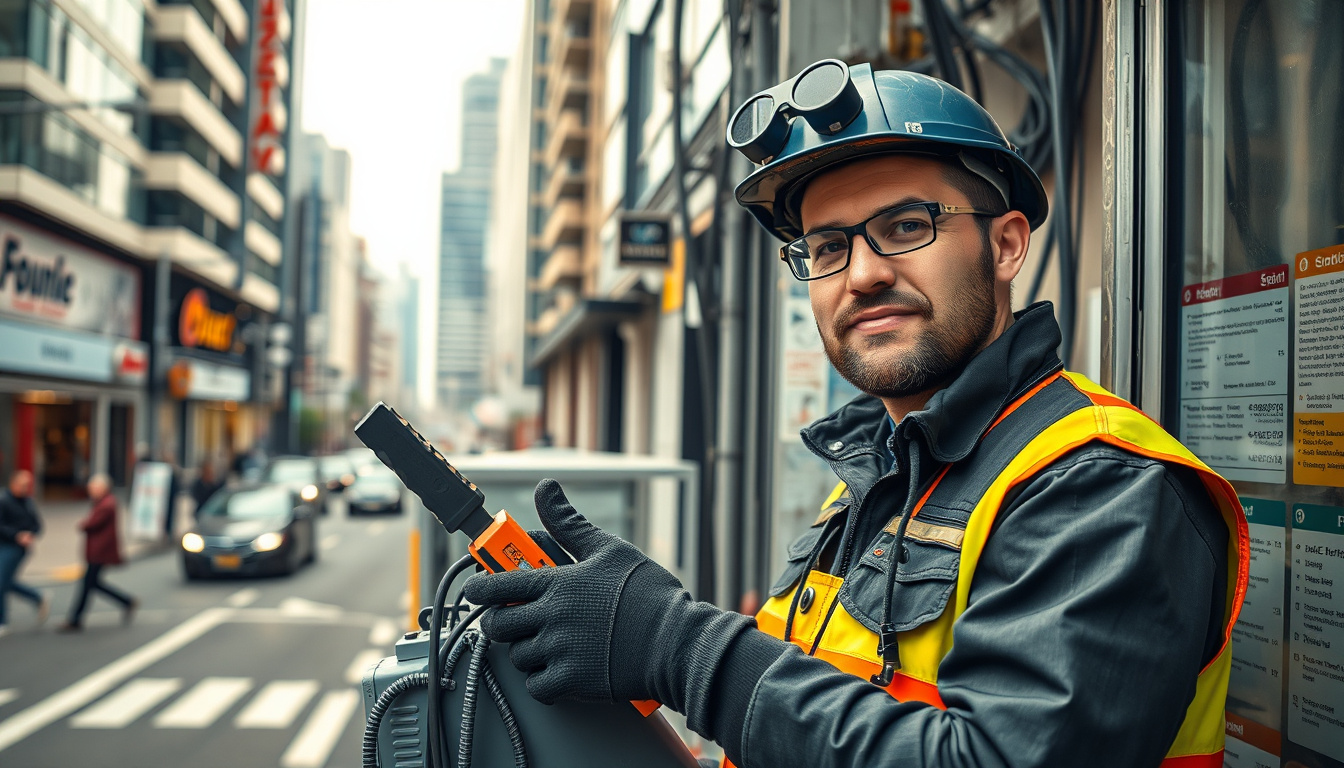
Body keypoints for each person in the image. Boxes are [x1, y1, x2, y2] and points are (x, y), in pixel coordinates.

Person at [464, 62, 1249, 768]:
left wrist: (678, 645)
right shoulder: (881, 479)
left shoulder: (1101, 486)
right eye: (828, 246)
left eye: (907, 227)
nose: (864, 274)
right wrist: (634, 634)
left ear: (1006, 245)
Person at [58, 474, 137, 632]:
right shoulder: (105, 502)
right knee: (92, 584)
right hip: (98, 551)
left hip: (99, 552)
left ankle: (75, 619)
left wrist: (83, 524)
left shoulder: (106, 505)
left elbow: (91, 524)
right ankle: (126, 601)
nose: (90, 491)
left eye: (93, 488)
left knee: (88, 585)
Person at [0, 470, 49, 636]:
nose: (25, 488)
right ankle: (37, 597)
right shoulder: (3, 501)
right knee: (5, 582)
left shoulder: (28, 502)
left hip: (16, 549)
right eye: (22, 485)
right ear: (13, 484)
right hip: (5, 544)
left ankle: (2, 621)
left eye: (27, 485)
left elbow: (38, 525)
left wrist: (30, 534)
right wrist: (16, 535)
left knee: (2, 582)